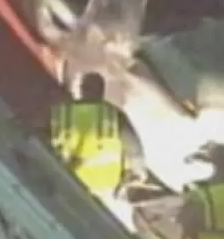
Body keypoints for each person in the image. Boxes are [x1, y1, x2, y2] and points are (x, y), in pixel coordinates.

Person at [40, 72, 145, 201]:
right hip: (104, 189)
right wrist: (137, 173)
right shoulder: (113, 115)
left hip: (67, 183)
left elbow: (42, 138)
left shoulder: (63, 114)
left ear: (81, 89)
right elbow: (133, 147)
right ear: (102, 91)